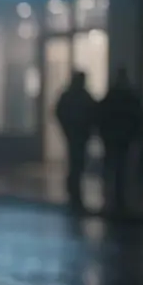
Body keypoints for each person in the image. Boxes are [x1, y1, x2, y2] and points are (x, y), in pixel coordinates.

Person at [98, 68, 143, 212]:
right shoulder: (129, 97)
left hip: (115, 139)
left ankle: (114, 197)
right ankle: (119, 198)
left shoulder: (111, 97)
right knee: (122, 169)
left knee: (115, 168)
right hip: (122, 139)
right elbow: (139, 118)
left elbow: (101, 117)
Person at [54, 71, 98, 210]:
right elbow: (93, 113)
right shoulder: (83, 96)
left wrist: (66, 128)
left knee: (75, 161)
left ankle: (73, 189)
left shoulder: (69, 95)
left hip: (75, 134)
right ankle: (74, 189)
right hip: (79, 134)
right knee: (77, 162)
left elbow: (59, 111)